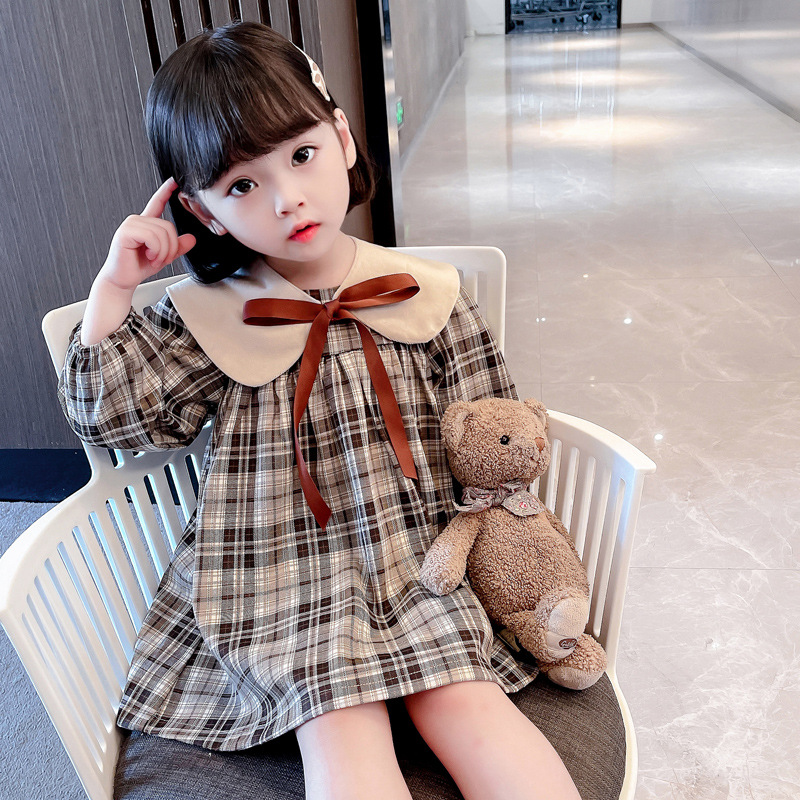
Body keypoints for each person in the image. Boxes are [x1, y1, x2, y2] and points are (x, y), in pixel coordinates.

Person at [57, 20, 581, 800]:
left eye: (301, 155)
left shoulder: (425, 293)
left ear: (340, 136)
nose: (287, 199)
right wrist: (115, 289)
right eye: (242, 185)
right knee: (334, 718)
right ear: (201, 210)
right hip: (276, 579)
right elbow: (113, 420)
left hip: (420, 561)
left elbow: (493, 446)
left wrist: (517, 561)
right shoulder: (208, 318)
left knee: (466, 700)